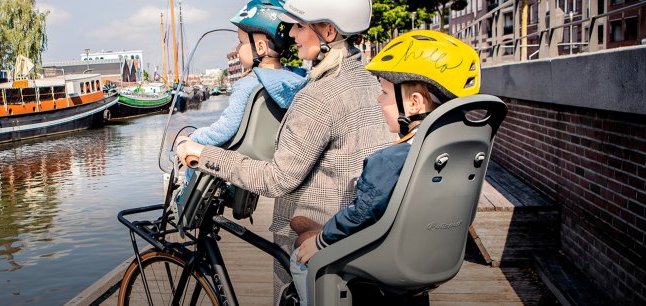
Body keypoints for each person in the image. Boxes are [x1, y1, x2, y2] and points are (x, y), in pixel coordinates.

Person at [175, 0, 395, 303]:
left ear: (328, 32)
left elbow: (278, 179)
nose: (291, 33)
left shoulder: (318, 96)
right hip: (360, 232)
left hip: (315, 242)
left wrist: (204, 154)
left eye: (300, 25)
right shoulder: (371, 84)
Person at [286, 30, 483, 305]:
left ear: (414, 103)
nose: (378, 100)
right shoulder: (453, 153)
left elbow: (360, 215)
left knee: (301, 255)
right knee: (300, 223)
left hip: (388, 259)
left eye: (384, 92)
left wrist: (320, 242)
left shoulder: (390, 160)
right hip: (430, 256)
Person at [173, 0, 307, 196]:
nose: (237, 48)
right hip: (272, 156)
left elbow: (225, 129)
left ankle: (187, 195)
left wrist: (193, 138)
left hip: (241, 159)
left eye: (241, 42)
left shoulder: (248, 83)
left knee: (192, 151)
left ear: (260, 47)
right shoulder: (296, 78)